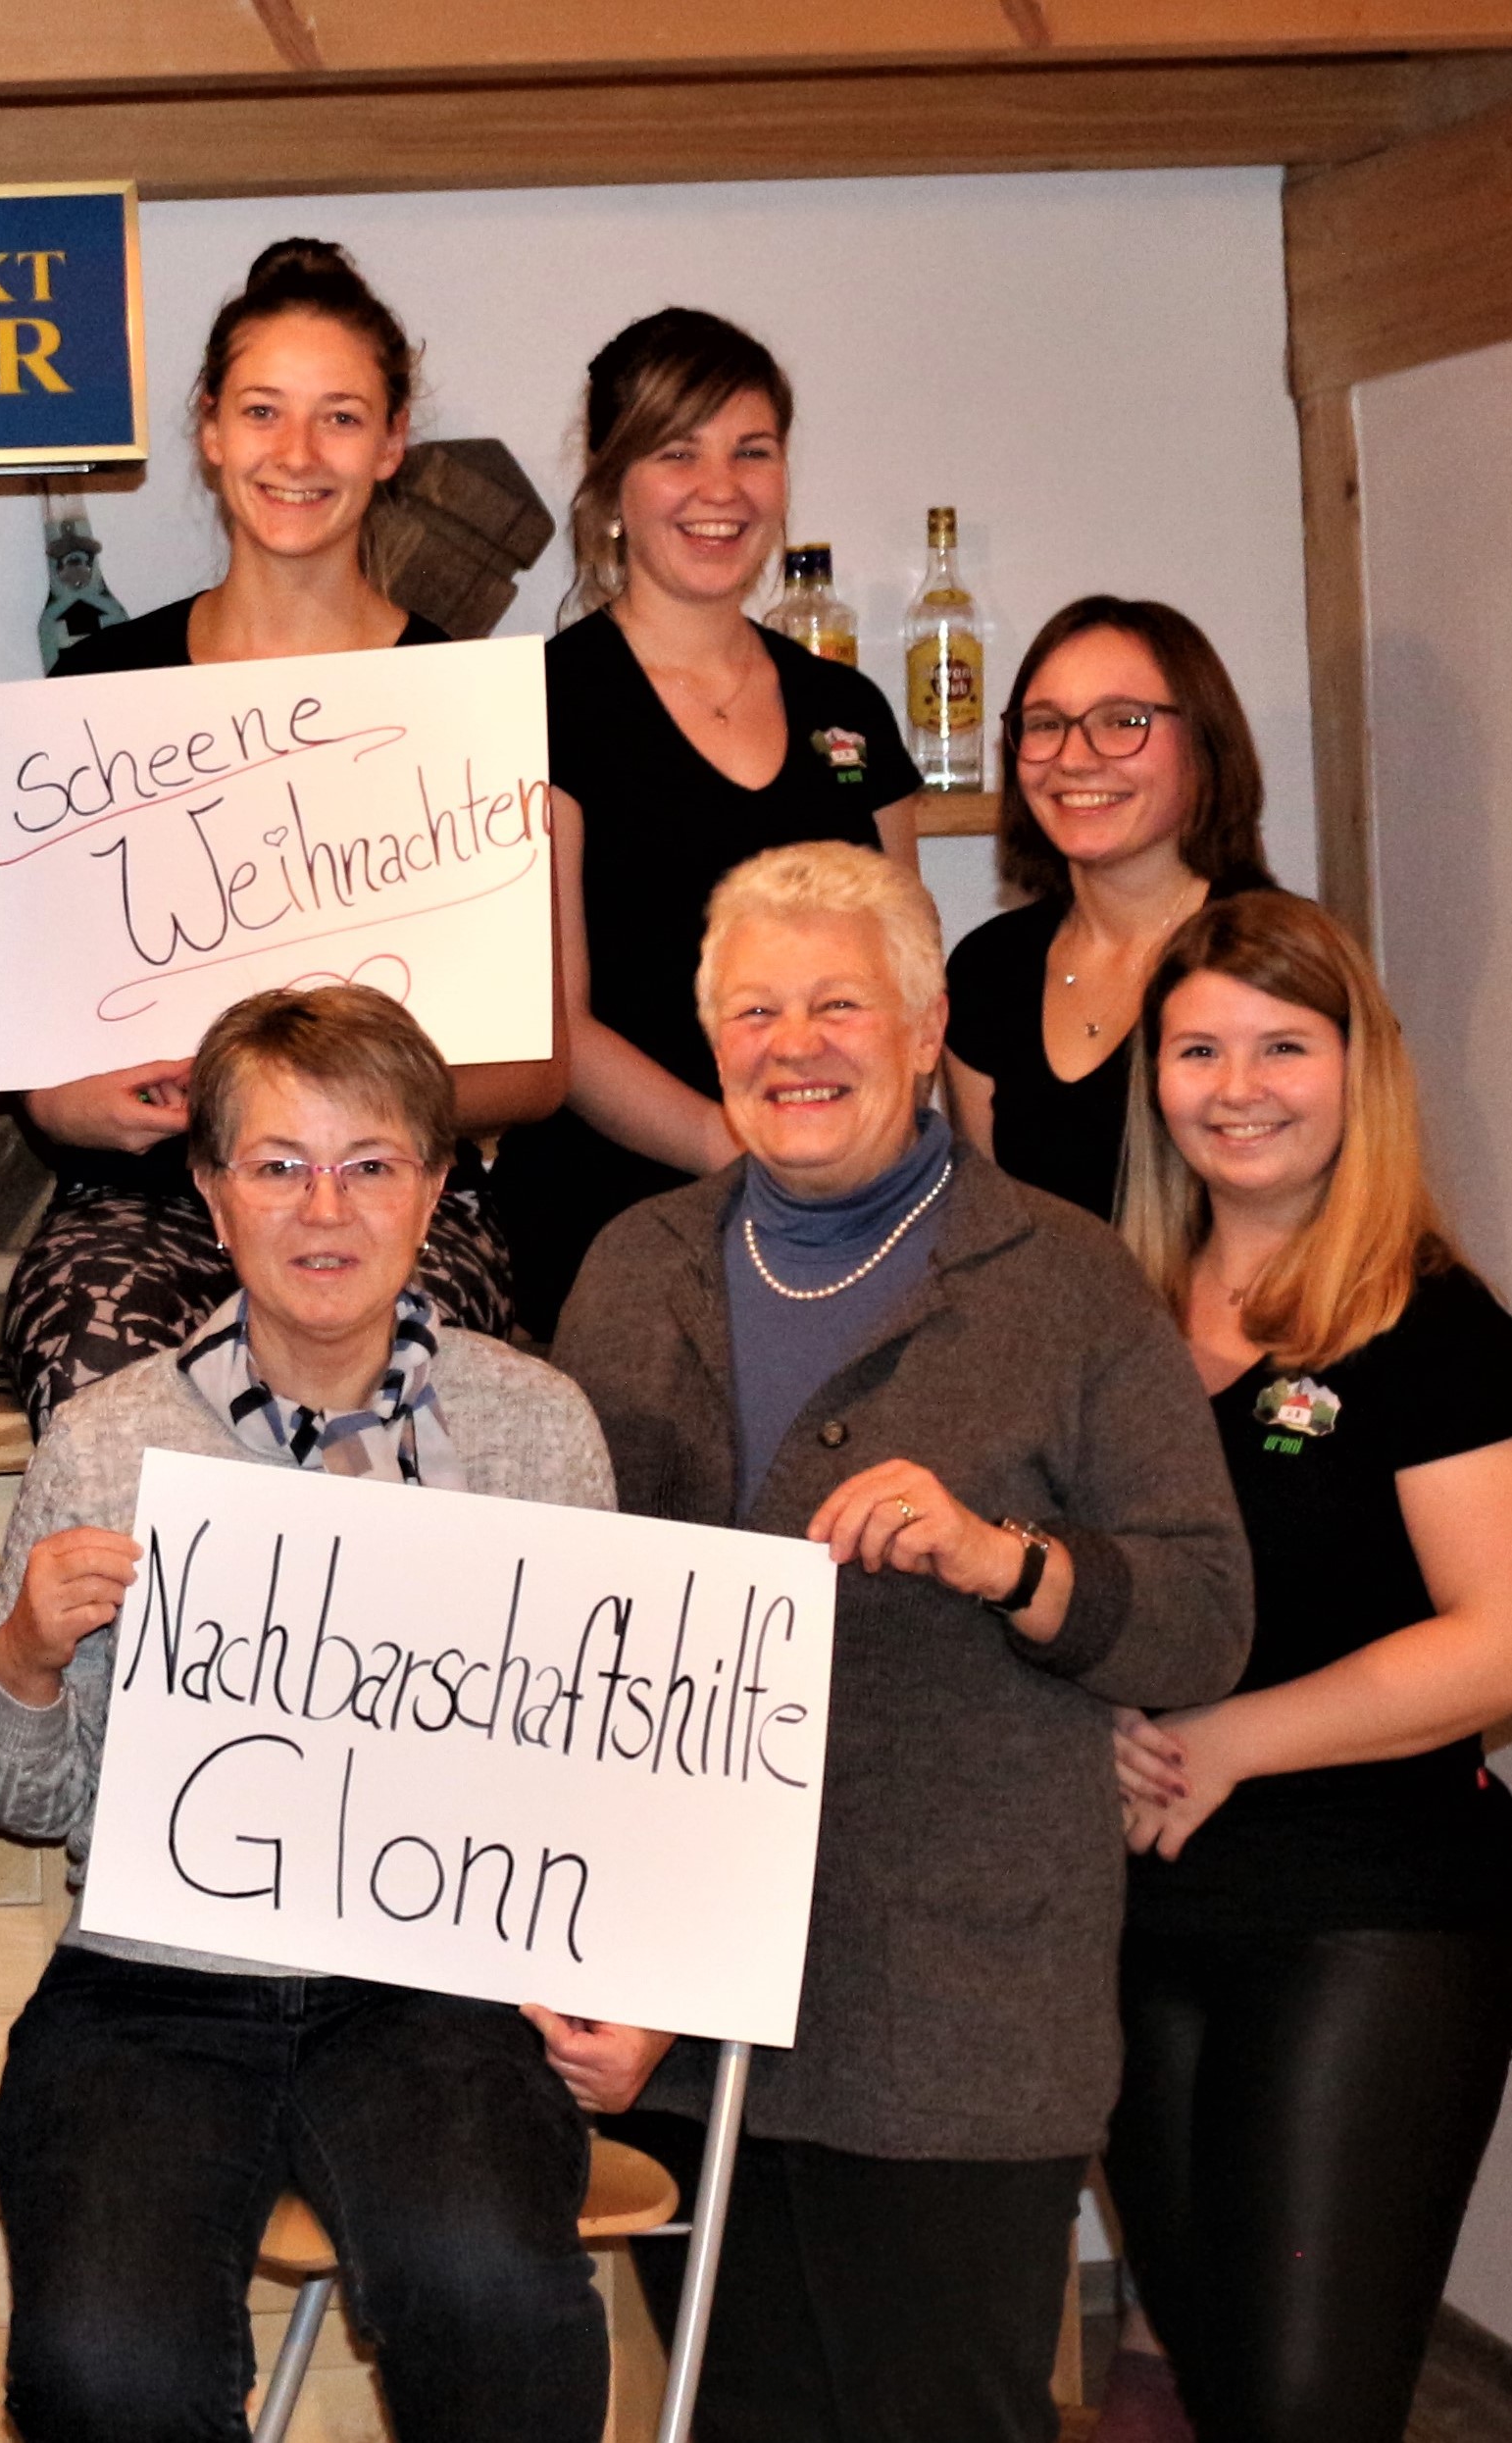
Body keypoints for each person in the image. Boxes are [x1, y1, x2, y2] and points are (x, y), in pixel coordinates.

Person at [554, 842, 1250, 2443]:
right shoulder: (631, 1268)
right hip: (686, 2015)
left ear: (927, 1027)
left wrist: (1006, 1561)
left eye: (837, 1006)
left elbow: (1204, 1614)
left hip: (954, 2016)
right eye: (753, 1011)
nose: (792, 1045)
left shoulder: (1066, 1279)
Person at [0, 982, 657, 2443]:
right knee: (100, 2369)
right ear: (211, 1194)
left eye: (369, 1162)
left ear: (433, 1188)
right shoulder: (106, 1438)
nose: (323, 1208)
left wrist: (638, 1993)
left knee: (495, 2297)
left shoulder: (534, 1427)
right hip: (154, 1989)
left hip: (431, 1989)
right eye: (277, 1164)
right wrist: (20, 1654)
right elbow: (15, 1793)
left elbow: (607, 1775)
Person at [6, 237, 564, 1433]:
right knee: (102, 1369)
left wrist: (326, 1116)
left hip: (391, 1200)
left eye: (339, 417)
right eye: (262, 411)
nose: (297, 454)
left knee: (404, 1374)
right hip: (146, 1201)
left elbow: (536, 1067)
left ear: (391, 441)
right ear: (209, 429)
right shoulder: (96, 693)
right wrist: (77, 1106)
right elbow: (46, 1082)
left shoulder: (468, 705)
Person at [1095, 892, 1512, 2443]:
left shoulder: (1429, 1320)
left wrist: (1228, 1739)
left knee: (1304, 2409)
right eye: (1196, 1048)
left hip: (1366, 1918)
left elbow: (1498, 1635)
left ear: (1357, 1067)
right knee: (1224, 2387)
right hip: (1138, 1916)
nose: (1236, 1086)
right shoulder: (1111, 1315)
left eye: (1282, 1045)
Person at [492, 310, 923, 1329]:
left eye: (751, 451)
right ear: (610, 483)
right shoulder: (539, 705)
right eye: (676, 452)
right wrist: (741, 1151)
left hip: (839, 1218)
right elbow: (559, 1024)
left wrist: (848, 1167)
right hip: (619, 1229)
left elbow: (906, 988)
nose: (720, 488)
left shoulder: (846, 709)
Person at [944, 598, 1278, 1218]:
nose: (1074, 759)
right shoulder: (988, 970)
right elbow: (994, 1239)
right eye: (1045, 725)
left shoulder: (1283, 960)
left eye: (1123, 721)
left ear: (1205, 744)